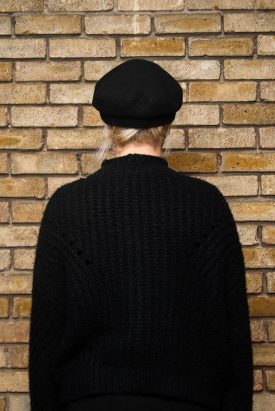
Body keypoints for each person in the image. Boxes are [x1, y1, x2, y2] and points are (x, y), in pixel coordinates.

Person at [28, 59, 254, 411]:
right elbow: (233, 335)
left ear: (108, 124)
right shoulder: (207, 205)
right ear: (168, 124)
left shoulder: (67, 207)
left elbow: (45, 337)